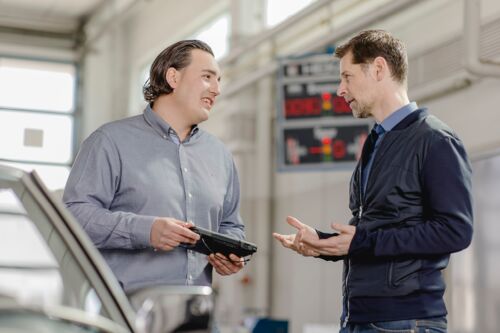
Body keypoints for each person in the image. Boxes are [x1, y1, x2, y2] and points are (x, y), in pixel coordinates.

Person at [273, 30, 473, 333]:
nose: (340, 89)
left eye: (347, 77)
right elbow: (376, 230)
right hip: (359, 317)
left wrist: (363, 241)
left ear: (379, 69)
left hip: (405, 321)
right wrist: (325, 243)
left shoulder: (434, 140)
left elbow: (455, 231)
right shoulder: (376, 142)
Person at [64, 40, 245, 292]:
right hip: (124, 314)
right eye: (207, 77)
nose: (217, 89)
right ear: (173, 77)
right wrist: (145, 230)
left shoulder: (220, 154)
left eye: (219, 80)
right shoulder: (110, 141)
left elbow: (231, 225)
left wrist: (231, 251)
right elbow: (74, 216)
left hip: (194, 315)